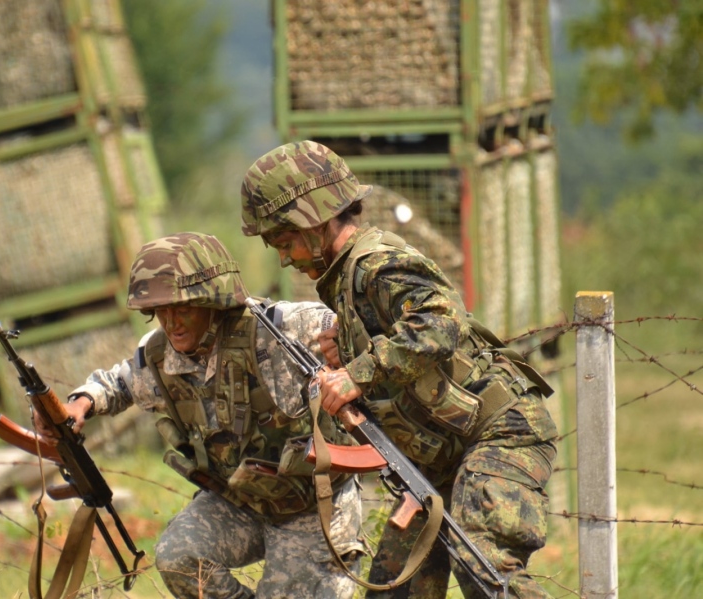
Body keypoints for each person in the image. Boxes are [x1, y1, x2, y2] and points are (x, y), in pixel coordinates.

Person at [239, 140, 558, 599]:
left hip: (499, 435)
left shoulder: (376, 263)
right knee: (395, 587)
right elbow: (407, 360)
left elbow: (441, 320)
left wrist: (356, 373)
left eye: (284, 241)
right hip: (441, 457)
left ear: (315, 220)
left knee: (484, 566)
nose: (285, 258)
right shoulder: (345, 278)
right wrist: (349, 354)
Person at [34, 231, 363, 599]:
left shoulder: (274, 330)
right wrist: (79, 403)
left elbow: (348, 328)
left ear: (212, 302)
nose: (172, 322)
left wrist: (347, 351)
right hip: (243, 503)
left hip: (311, 508)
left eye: (183, 308)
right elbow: (120, 383)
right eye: (162, 310)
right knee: (178, 556)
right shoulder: (160, 355)